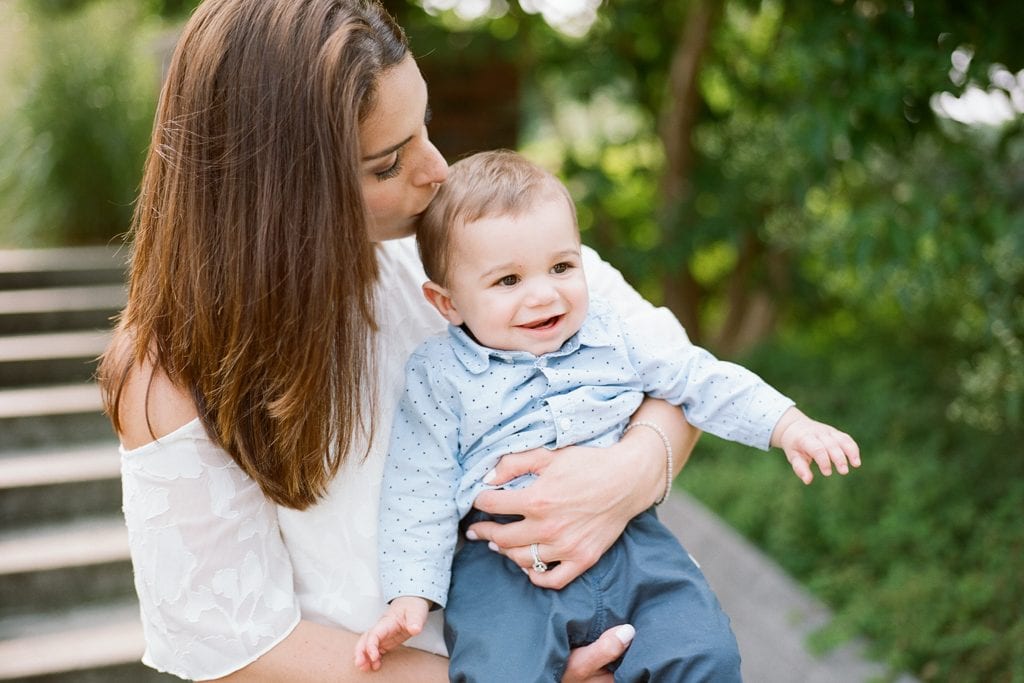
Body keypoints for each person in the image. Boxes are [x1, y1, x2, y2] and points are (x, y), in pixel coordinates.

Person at [97, 1, 710, 680]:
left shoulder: (462, 254)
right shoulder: (170, 374)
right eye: (387, 165)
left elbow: (674, 371)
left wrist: (632, 473)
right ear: (281, 194)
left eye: (424, 126)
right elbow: (245, 645)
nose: (438, 170)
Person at [355, 150, 862, 681]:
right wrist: (411, 594)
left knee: (703, 652)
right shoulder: (438, 374)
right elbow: (418, 485)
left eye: (561, 266)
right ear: (448, 302)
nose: (544, 293)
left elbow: (698, 377)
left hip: (631, 542)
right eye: (509, 281)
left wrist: (789, 423)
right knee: (499, 670)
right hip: (503, 565)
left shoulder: (612, 332)